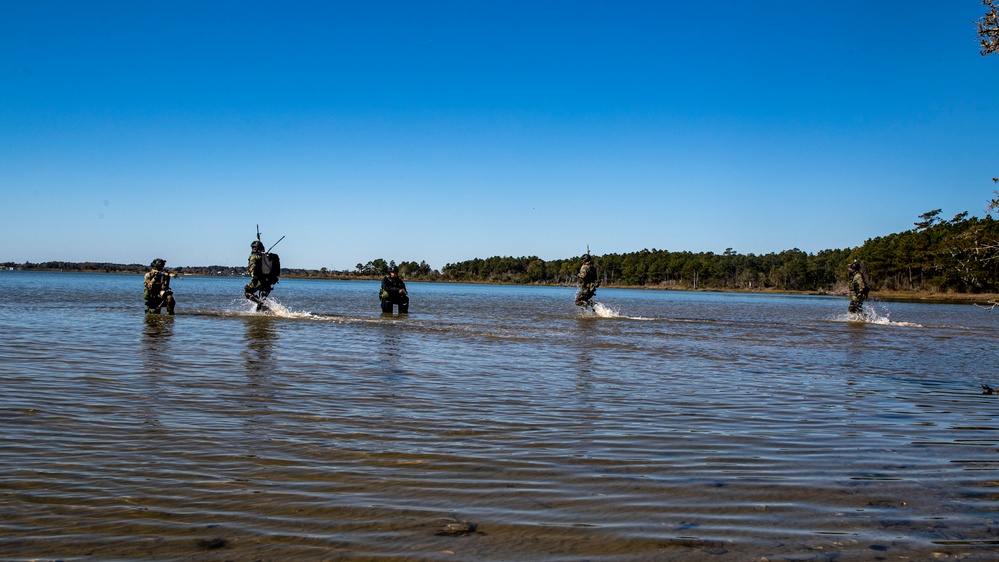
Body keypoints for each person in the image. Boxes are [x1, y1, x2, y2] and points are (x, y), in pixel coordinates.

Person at [244, 240, 277, 311]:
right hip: (268, 283)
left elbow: (252, 268)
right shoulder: (266, 256)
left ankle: (261, 304)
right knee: (262, 299)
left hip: (259, 281)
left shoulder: (254, 257)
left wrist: (254, 278)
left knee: (247, 292)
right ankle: (262, 311)